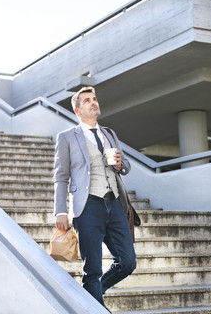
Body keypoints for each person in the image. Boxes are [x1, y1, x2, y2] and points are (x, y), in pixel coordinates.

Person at [54, 86, 136, 307]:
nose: (93, 102)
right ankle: (94, 306)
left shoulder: (110, 134)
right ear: (77, 110)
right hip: (87, 206)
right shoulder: (67, 137)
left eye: (94, 99)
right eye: (87, 100)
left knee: (128, 262)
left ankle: (94, 292)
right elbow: (61, 177)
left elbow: (125, 165)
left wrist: (120, 164)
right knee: (93, 269)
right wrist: (61, 211)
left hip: (115, 203)